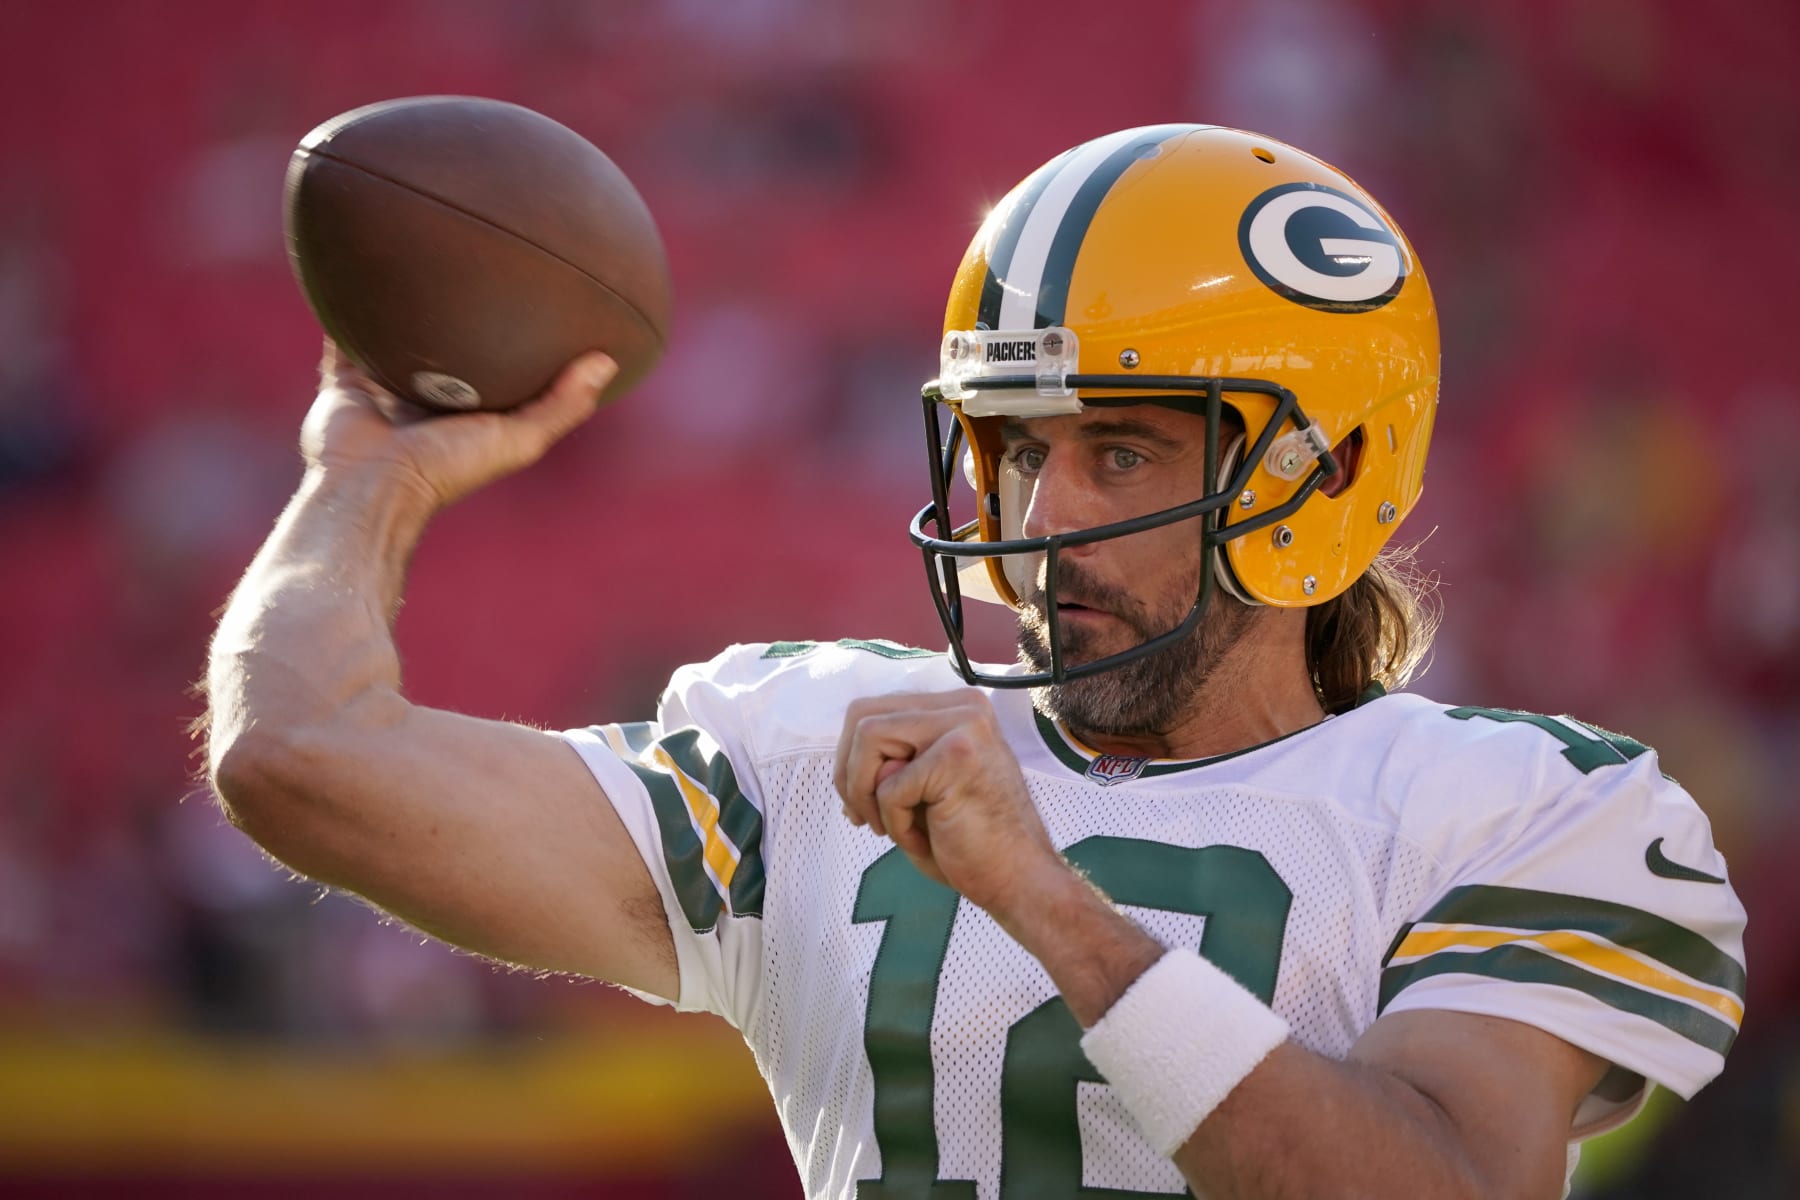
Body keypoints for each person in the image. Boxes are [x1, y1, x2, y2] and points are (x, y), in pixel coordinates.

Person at [205, 124, 1746, 1199]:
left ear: (1321, 473)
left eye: (1121, 452)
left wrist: (1050, 907)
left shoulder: (1531, 813)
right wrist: (365, 481)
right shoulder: (821, 756)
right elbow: (302, 761)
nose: (1040, 520)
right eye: (1012, 450)